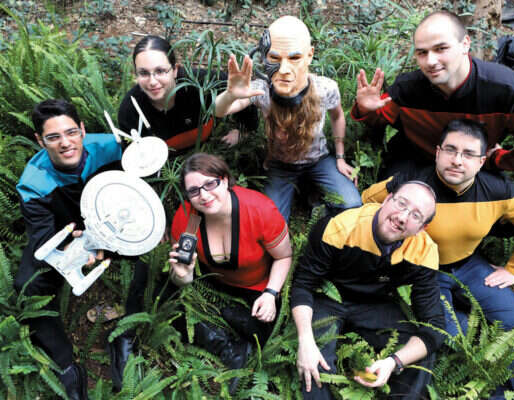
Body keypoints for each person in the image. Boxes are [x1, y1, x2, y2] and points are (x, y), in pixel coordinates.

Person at [362, 119, 514, 398]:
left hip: (470, 265)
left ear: (481, 162)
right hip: (424, 271)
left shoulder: (500, 191)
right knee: (448, 336)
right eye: (450, 150)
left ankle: (504, 394)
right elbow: (365, 202)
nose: (457, 160)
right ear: (438, 153)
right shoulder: (411, 184)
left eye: (468, 154)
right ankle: (467, 332)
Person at [352, 10, 514, 176]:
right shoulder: (407, 88)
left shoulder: (506, 89)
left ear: (465, 44)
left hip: (472, 168)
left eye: (441, 49)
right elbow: (377, 119)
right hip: (416, 162)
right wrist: (365, 109)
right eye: (422, 52)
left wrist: (498, 160)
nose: (430, 61)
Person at [291, 181, 444, 399]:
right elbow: (303, 284)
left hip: (375, 305)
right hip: (328, 297)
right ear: (387, 199)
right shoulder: (339, 226)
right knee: (314, 362)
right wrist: (305, 340)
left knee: (420, 349)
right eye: (401, 204)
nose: (402, 217)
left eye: (416, 215)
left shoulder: (424, 251)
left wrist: (394, 362)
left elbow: (434, 325)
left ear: (422, 228)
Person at [15, 99, 124, 399]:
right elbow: (42, 239)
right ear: (40, 141)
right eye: (53, 137)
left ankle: (125, 340)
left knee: (153, 255)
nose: (65, 143)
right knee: (27, 285)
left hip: (116, 224)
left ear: (83, 130)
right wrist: (77, 250)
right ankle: (67, 366)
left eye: (71, 132)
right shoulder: (33, 183)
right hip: (68, 235)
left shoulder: (112, 147)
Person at [214, 16, 362, 221]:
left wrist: (340, 157)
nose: (283, 70)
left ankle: (315, 199)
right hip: (280, 164)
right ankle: (308, 193)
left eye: (294, 58)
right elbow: (220, 111)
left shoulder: (325, 88)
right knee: (271, 220)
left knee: (352, 204)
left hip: (319, 160)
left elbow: (337, 117)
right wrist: (231, 95)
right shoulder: (262, 90)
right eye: (274, 58)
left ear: (309, 55)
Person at [167, 153, 293, 387]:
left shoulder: (259, 210)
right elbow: (181, 275)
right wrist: (183, 277)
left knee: (266, 331)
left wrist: (271, 293)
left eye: (210, 184)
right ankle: (228, 347)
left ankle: (228, 324)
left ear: (224, 180)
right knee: (167, 303)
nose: (204, 196)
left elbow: (284, 256)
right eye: (194, 191)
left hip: (257, 286)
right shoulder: (188, 219)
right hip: (211, 281)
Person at [118, 35, 258, 152]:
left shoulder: (200, 82)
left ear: (175, 70)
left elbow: (241, 92)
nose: (152, 81)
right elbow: (133, 155)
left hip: (208, 149)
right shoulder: (130, 110)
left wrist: (243, 130)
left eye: (160, 71)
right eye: (143, 73)